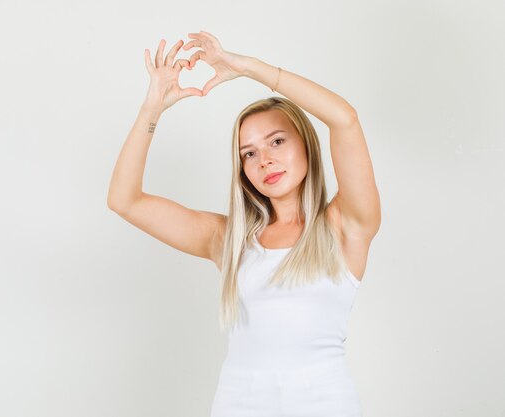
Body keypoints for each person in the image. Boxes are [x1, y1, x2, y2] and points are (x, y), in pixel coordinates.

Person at [107, 30, 380, 417]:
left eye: (277, 142)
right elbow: (124, 200)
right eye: (249, 153)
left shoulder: (345, 225)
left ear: (305, 143)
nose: (264, 160)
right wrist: (151, 110)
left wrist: (248, 68)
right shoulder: (228, 240)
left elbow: (345, 120)